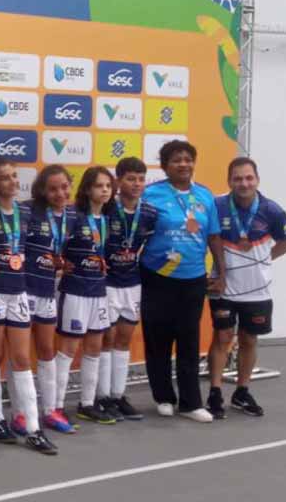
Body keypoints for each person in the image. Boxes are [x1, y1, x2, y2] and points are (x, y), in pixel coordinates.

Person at [140, 140, 226, 423]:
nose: (183, 164)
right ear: (165, 166)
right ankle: (163, 396)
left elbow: (213, 236)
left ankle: (191, 403)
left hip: (193, 278)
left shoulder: (205, 196)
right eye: (176, 160)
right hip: (157, 276)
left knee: (189, 340)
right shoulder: (151, 195)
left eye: (188, 159)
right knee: (158, 338)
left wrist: (221, 272)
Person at [0, 158, 58, 455]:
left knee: (23, 358)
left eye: (15, 176)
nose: (13, 182)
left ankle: (34, 429)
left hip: (19, 292)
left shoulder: (26, 213)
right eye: (5, 178)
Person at [206, 157, 286, 419]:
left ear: (257, 179)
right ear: (229, 180)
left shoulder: (273, 210)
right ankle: (215, 392)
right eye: (237, 178)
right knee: (222, 338)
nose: (243, 183)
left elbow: (285, 245)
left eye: (248, 178)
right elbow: (210, 238)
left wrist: (259, 262)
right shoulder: (217, 206)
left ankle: (242, 392)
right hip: (223, 286)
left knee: (248, 339)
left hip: (258, 290)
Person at [96, 157, 158, 422]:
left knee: (124, 339)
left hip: (132, 283)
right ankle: (102, 397)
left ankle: (118, 394)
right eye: (131, 178)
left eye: (141, 179)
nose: (136, 184)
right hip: (106, 282)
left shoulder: (150, 213)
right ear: (118, 181)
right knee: (105, 339)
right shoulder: (107, 209)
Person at [54, 166, 114, 425]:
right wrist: (60, 262)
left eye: (109, 186)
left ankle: (87, 403)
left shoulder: (108, 220)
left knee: (94, 348)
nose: (105, 190)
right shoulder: (73, 217)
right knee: (68, 349)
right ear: (88, 189)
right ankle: (55, 405)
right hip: (75, 290)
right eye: (100, 186)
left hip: (98, 291)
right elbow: (56, 246)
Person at [23, 165, 77, 435]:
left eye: (64, 187)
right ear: (42, 190)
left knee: (46, 350)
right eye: (53, 188)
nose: (60, 193)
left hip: (48, 290)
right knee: (20, 355)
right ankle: (21, 413)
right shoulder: (28, 210)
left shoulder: (73, 215)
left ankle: (50, 410)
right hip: (22, 289)